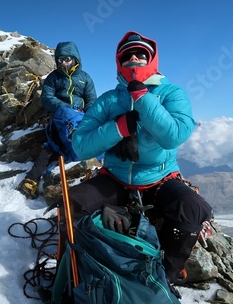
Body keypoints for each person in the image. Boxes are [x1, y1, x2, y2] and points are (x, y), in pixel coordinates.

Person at [70, 31, 213, 285]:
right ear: (119, 62)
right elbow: (80, 146)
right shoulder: (109, 100)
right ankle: (84, 272)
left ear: (151, 59)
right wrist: (119, 128)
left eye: (140, 54)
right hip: (116, 177)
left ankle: (166, 277)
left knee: (193, 207)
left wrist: (142, 98)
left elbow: (174, 135)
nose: (133, 58)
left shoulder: (171, 93)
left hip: (159, 178)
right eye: (127, 56)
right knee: (74, 203)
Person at [17, 41, 97, 199]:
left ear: (75, 59)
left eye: (67, 59)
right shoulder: (53, 78)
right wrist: (66, 108)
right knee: (52, 146)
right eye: (60, 60)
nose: (64, 63)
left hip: (81, 119)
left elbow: (92, 100)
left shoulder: (85, 78)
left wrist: (88, 117)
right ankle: (30, 180)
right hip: (58, 119)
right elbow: (47, 98)